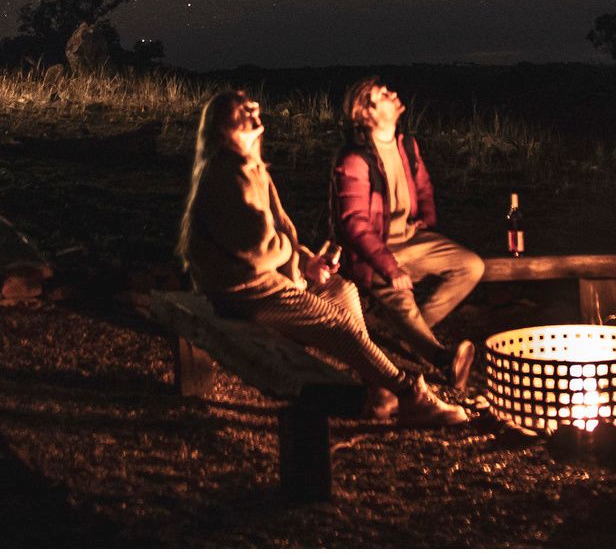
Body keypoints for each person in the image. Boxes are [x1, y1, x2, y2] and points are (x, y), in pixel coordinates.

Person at [176, 88, 470, 426]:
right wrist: (295, 262)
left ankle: (377, 386)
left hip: (266, 277)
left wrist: (306, 262)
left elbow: (277, 235)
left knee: (343, 292)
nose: (255, 114)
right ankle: (409, 396)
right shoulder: (226, 173)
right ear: (223, 125)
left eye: (253, 108)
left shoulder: (253, 167)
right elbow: (257, 250)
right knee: (337, 326)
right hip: (243, 290)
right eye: (243, 111)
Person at [329, 77, 486, 390]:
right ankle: (443, 359)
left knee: (471, 266)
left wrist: (426, 216)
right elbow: (354, 224)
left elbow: (423, 184)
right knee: (399, 297)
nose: (393, 94)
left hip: (411, 239)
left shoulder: (406, 145)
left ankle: (416, 334)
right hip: (372, 252)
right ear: (366, 112)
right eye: (383, 94)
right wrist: (390, 267)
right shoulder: (354, 161)